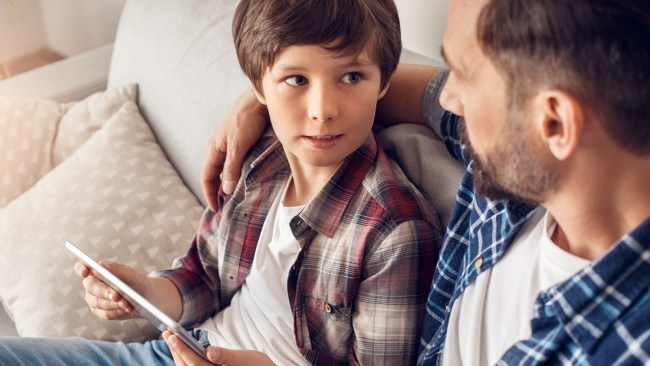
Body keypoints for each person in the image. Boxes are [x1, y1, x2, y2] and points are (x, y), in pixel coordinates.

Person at [200, 0, 650, 365]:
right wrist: (263, 96)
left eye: (464, 76)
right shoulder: (526, 166)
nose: (447, 96)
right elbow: (379, 83)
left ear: (553, 122)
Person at [0, 0, 441, 365]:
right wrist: (147, 292)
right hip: (176, 351)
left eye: (351, 77)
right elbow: (205, 277)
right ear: (258, 88)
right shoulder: (260, 154)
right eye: (296, 80)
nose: (322, 109)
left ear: (383, 81)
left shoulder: (395, 233)